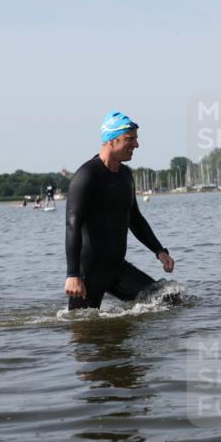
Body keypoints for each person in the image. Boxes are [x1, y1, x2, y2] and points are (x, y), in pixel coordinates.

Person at [64, 110, 175, 310]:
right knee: (82, 331)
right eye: (129, 139)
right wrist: (73, 275)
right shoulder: (87, 176)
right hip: (88, 273)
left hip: (117, 269)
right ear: (111, 140)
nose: (136, 145)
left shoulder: (125, 175)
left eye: (136, 139)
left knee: (168, 300)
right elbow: (73, 225)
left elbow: (135, 219)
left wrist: (159, 251)